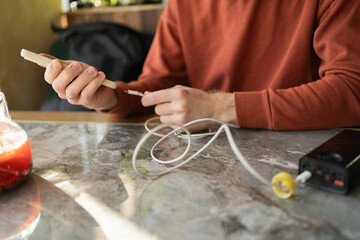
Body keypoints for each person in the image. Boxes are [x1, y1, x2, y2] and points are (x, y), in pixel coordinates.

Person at [44, 0, 360, 131]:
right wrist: (113, 96)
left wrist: (220, 107)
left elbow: (351, 88)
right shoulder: (183, 4)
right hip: (205, 169)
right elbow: (159, 83)